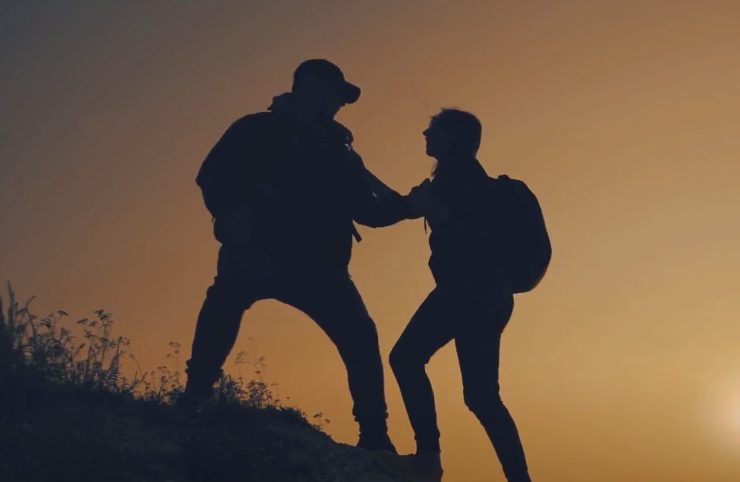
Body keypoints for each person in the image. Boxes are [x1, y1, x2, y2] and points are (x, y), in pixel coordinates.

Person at [182, 59, 418, 453]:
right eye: (337, 94)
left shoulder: (339, 149)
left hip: (318, 264)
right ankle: (193, 400)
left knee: (360, 338)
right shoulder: (255, 128)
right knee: (222, 306)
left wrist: (409, 206)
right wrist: (230, 212)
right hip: (258, 249)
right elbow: (211, 175)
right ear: (311, 85)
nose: (341, 105)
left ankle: (375, 437)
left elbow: (368, 210)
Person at [376, 109, 547, 482]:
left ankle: (427, 460)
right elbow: (394, 208)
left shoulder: (458, 182)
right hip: (493, 297)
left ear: (452, 138)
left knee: (406, 358)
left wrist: (433, 208)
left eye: (433, 129)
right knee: (482, 396)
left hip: (465, 292)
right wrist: (359, 172)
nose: (424, 132)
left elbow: (462, 230)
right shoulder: (467, 183)